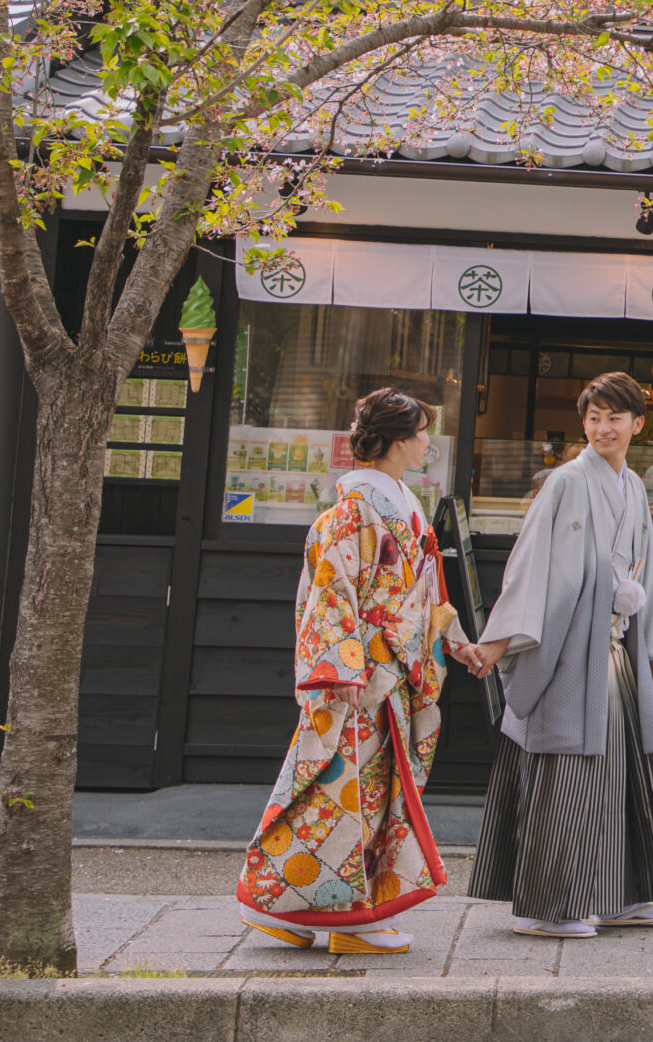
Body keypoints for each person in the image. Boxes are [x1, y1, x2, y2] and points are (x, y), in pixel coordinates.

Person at [448, 371, 653, 939]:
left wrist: (649, 643)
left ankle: (619, 893)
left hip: (613, 645)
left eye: (614, 417)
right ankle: (547, 903)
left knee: (620, 772)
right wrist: (500, 643)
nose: (603, 428)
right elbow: (534, 567)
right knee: (568, 772)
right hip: (565, 644)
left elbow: (642, 568)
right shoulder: (567, 481)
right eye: (593, 417)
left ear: (637, 424)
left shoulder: (631, 486)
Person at [238, 388, 456, 954]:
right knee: (341, 792)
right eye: (424, 431)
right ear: (402, 440)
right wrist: (340, 672)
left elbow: (423, 592)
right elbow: (331, 593)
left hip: (387, 674)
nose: (429, 441)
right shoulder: (353, 511)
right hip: (360, 681)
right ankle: (349, 917)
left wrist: (451, 643)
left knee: (348, 793)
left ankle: (291, 902)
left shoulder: (397, 503)